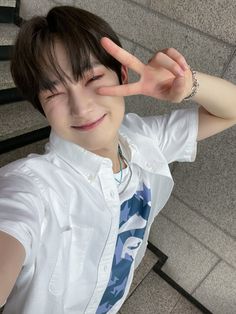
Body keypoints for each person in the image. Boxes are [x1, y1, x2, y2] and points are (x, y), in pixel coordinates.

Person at [0, 5, 236, 314]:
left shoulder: (142, 139)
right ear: (42, 108)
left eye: (92, 78)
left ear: (122, 74)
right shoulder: (33, 186)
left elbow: (229, 110)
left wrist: (186, 85)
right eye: (54, 93)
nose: (81, 107)